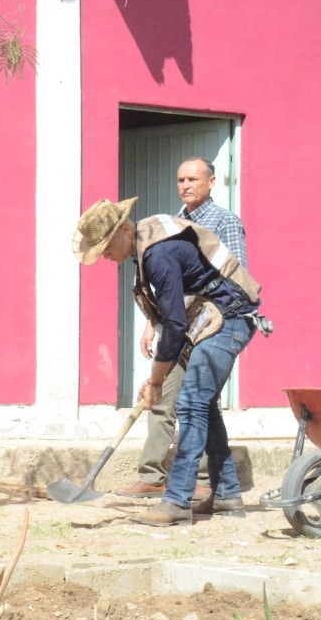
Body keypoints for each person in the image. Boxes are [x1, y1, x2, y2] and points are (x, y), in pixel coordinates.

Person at [73, 197, 263, 526]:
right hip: (211, 316)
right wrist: (155, 379)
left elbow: (175, 326)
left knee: (190, 402)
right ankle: (228, 494)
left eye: (105, 245)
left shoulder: (158, 253)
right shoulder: (147, 244)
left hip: (230, 316)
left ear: (124, 231)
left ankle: (176, 501)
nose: (104, 255)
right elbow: (172, 322)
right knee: (204, 403)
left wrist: (156, 381)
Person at [118, 156, 252, 498]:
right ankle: (152, 474)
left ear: (211, 182)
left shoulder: (225, 222)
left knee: (200, 399)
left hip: (214, 322)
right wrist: (153, 323)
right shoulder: (174, 224)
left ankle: (205, 482)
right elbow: (167, 286)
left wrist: (205, 322)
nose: (186, 186)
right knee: (161, 392)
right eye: (180, 180)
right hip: (181, 322)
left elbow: (236, 277)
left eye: (193, 179)